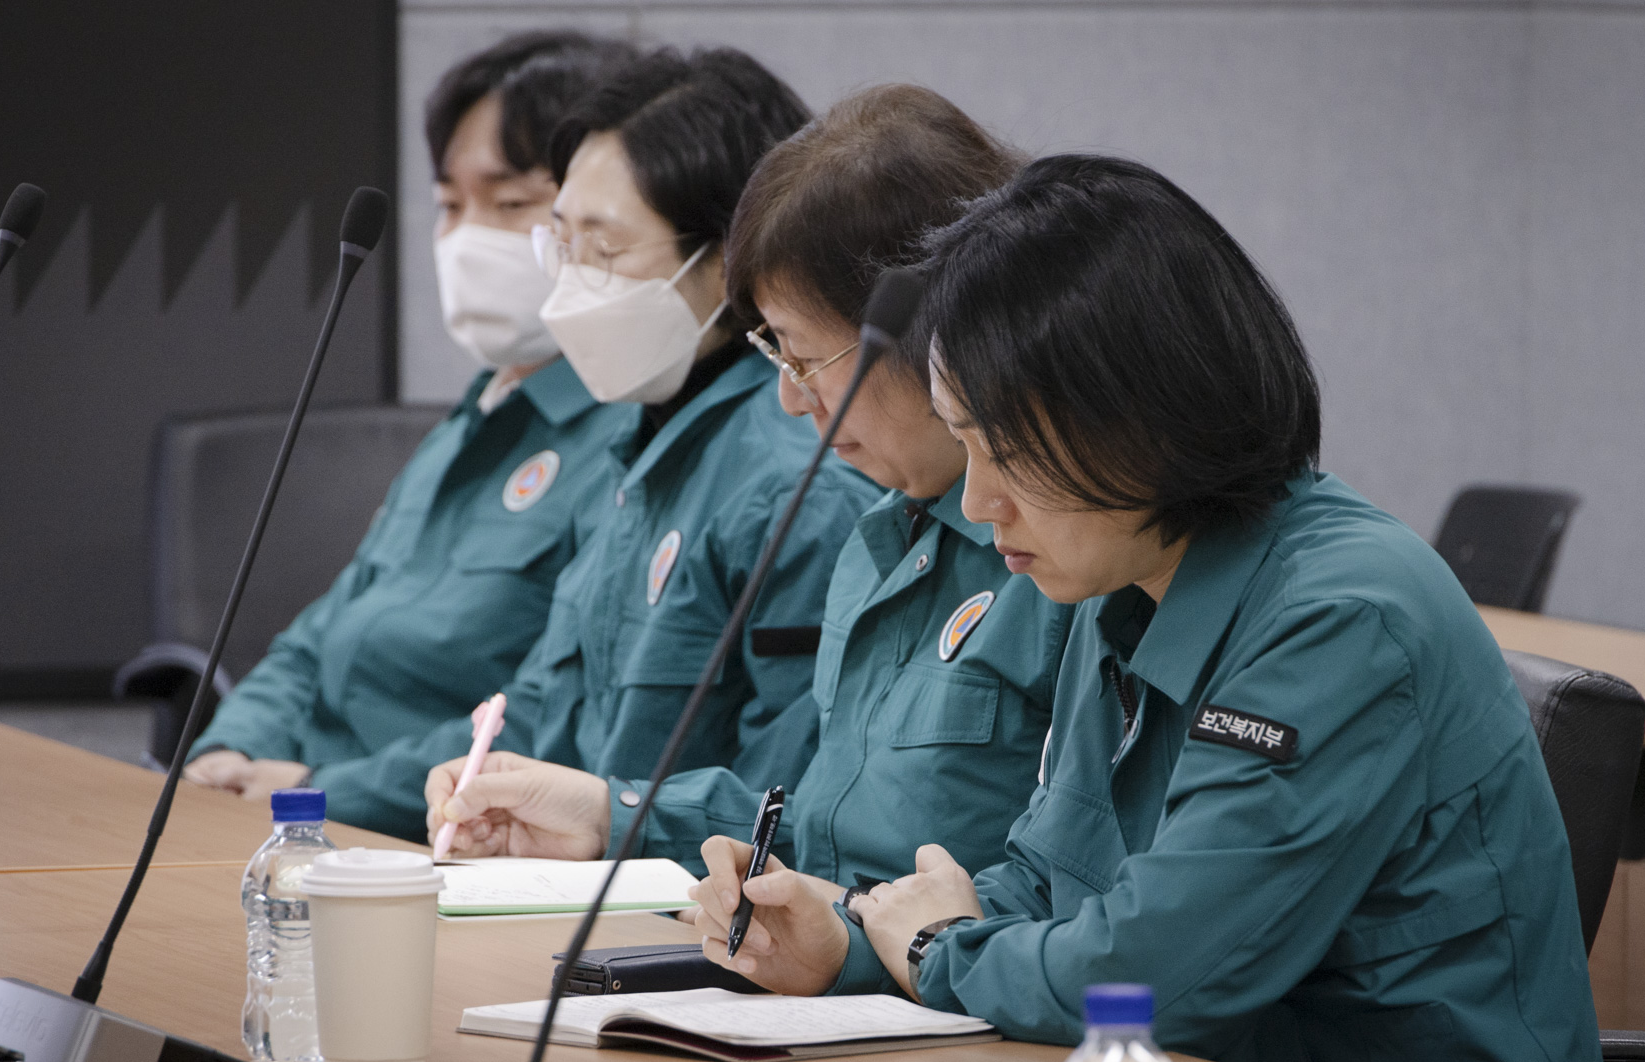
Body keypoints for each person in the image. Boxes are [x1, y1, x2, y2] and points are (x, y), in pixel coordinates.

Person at [687, 156, 1605, 1062]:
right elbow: (1051, 879)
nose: (977, 501)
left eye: (1004, 449)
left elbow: (1157, 977)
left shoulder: (1343, 617)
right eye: (964, 444)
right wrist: (849, 941)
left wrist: (937, 952)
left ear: (1140, 416)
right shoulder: (1125, 577)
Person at [425, 86, 1075, 886]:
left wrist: (876, 949)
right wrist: (607, 812)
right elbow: (822, 835)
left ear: (932, 334)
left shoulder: (1071, 554)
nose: (791, 398)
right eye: (777, 359)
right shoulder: (879, 536)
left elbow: (1060, 893)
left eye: (806, 359)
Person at [281, 46, 880, 839]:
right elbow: (546, 701)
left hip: (672, 929)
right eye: (561, 245)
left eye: (603, 251)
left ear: (732, 256)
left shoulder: (791, 481)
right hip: (560, 887)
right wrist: (490, 787)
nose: (572, 286)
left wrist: (600, 825)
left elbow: (788, 810)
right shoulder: (640, 440)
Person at [185, 32, 637, 806]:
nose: (466, 237)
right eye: (449, 205)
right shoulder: (469, 418)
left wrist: (322, 788)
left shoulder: (626, 435)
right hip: (296, 814)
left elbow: (549, 716)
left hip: (425, 833)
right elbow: (321, 632)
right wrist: (232, 747)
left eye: (510, 203)